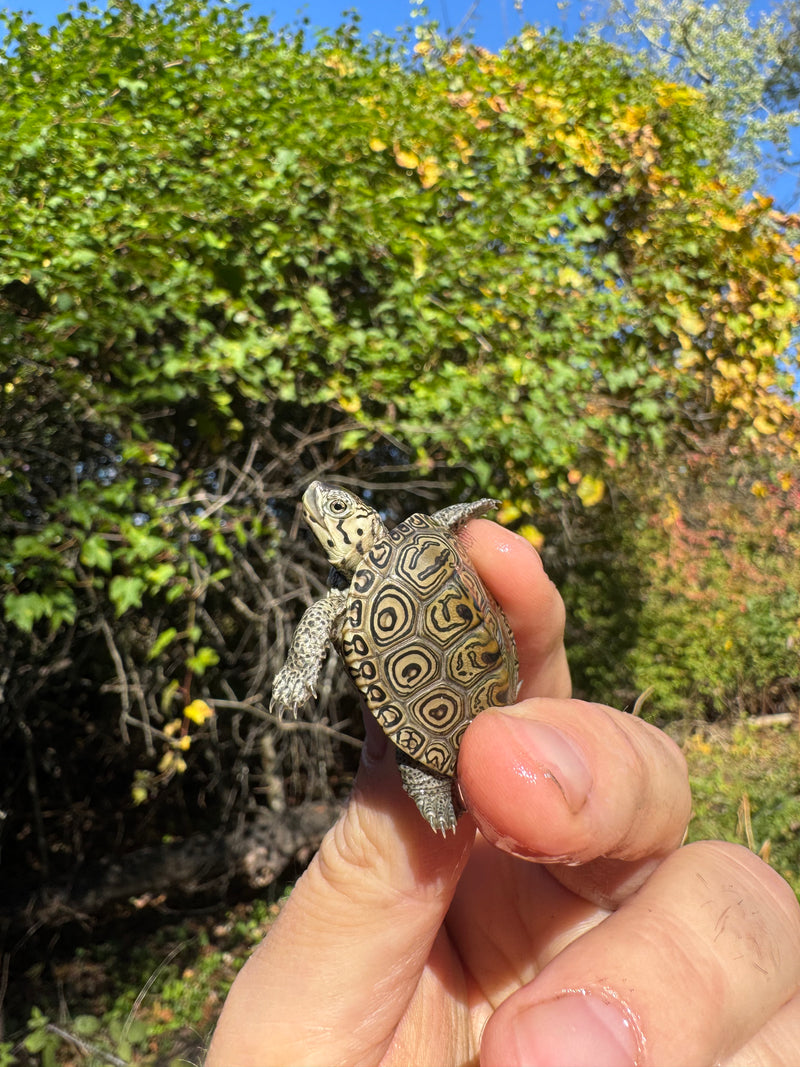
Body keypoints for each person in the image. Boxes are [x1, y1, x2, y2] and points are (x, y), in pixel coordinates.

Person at [207, 520, 800, 1067]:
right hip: (469, 705)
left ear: (364, 520)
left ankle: (436, 786)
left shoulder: (396, 553)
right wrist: (298, 669)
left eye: (338, 508)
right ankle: (434, 790)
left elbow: (441, 536)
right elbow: (329, 621)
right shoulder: (371, 574)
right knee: (423, 776)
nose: (324, 512)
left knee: (431, 768)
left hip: (465, 700)